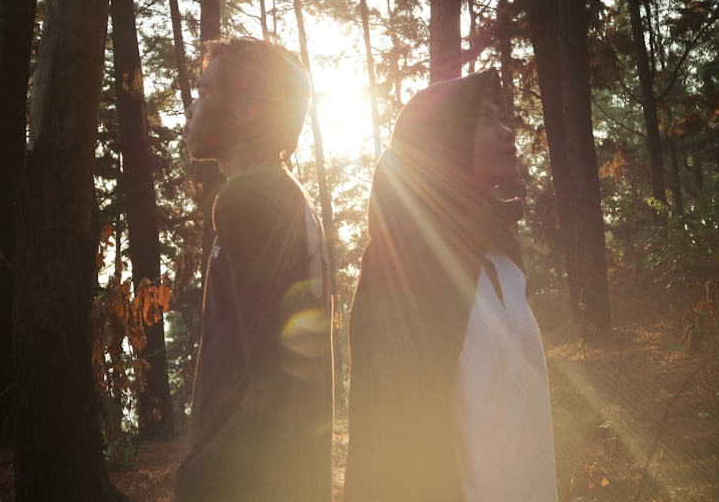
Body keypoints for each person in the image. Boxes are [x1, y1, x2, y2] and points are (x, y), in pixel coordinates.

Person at [344, 69, 558, 502]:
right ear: (440, 141)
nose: (507, 132)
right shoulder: (403, 258)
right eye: (484, 118)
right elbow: (387, 427)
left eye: (503, 118)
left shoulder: (500, 251)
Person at [173, 37, 334, 502]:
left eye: (203, 92)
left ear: (244, 110)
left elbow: (274, 386)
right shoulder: (284, 196)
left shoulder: (250, 202)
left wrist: (198, 480)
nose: (192, 106)